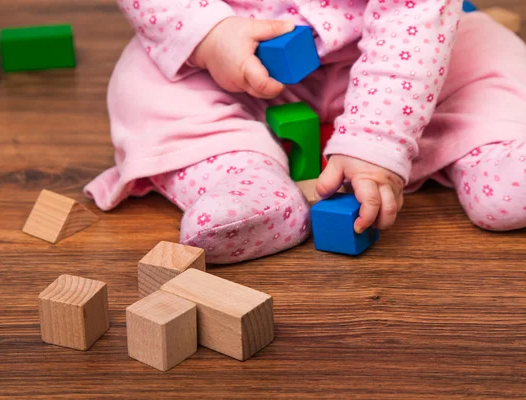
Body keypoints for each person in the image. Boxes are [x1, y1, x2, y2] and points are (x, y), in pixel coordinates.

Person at [85, 0, 526, 263]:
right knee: (144, 86)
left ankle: (495, 153)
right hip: (234, 53)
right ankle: (236, 176)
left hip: (402, 59)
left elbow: (413, 22)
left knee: (489, 57)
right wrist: (207, 34)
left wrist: (376, 137)